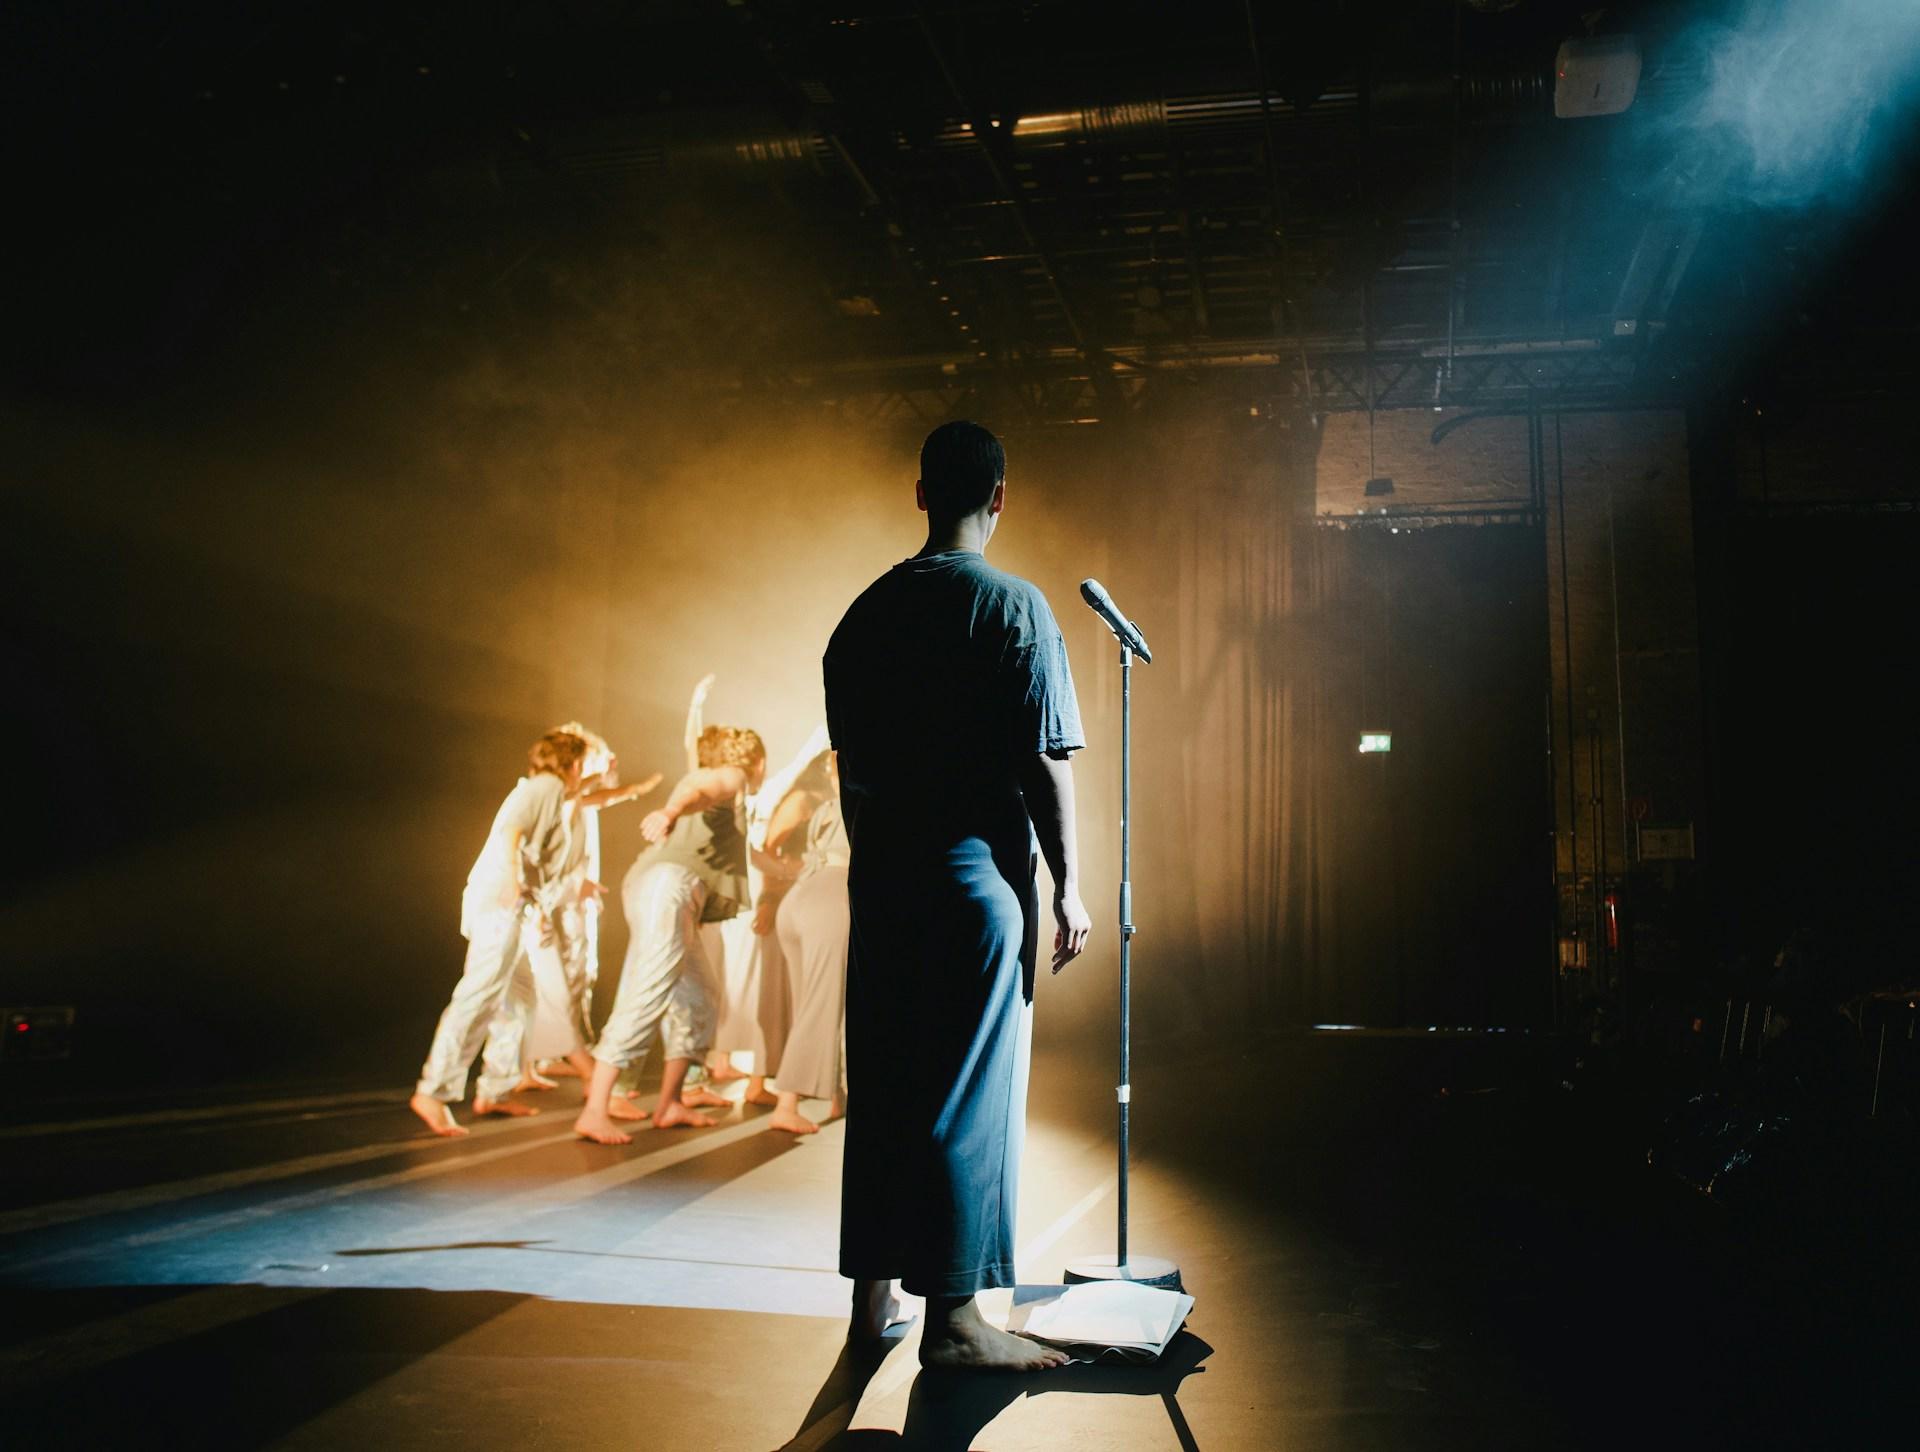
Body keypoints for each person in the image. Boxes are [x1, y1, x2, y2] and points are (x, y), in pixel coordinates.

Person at [825, 419, 1091, 1371]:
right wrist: (1070, 886)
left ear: (921, 492)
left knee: (888, 1088)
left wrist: (882, 865)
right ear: (1000, 497)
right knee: (967, 1097)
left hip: (886, 884)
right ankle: (956, 1323)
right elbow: (1044, 763)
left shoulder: (862, 616)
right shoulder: (1016, 607)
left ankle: (872, 1304)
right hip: (977, 887)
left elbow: (849, 774)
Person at [573, 723, 794, 1144]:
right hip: (670, 887)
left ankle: (670, 1102)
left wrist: (787, 870)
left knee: (702, 995)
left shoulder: (734, 802)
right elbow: (699, 783)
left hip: (666, 889)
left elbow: (743, 853)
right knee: (649, 990)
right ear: (758, 762)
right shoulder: (735, 777)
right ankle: (595, 1108)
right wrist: (669, 811)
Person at [409, 729, 588, 1138]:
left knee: (521, 997)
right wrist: (512, 882)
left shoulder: (551, 792)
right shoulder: (544, 788)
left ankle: (495, 1088)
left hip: (516, 904)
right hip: (500, 903)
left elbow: (535, 857)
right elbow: (513, 832)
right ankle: (433, 1092)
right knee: (481, 991)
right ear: (572, 764)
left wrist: (537, 908)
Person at [768, 751, 851, 1136]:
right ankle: (787, 1102)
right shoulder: (859, 804)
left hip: (799, 899)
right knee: (822, 1003)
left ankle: (838, 1094)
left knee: (814, 1001)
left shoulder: (826, 808)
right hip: (831, 900)